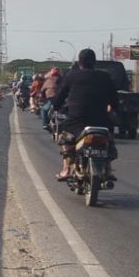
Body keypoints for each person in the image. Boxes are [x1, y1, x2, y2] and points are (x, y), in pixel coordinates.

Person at [52, 49, 119, 180]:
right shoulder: (105, 77)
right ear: (94, 62)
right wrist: (112, 109)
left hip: (77, 122)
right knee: (109, 141)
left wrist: (55, 106)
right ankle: (108, 169)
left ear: (79, 62)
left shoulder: (71, 75)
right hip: (101, 121)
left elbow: (59, 97)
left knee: (64, 137)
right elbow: (115, 101)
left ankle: (66, 169)